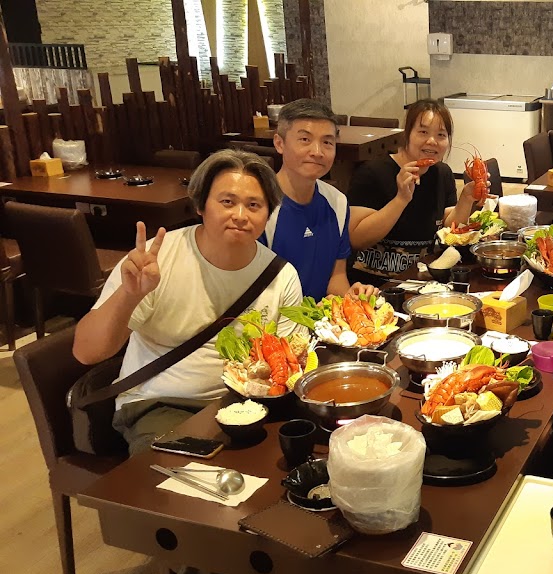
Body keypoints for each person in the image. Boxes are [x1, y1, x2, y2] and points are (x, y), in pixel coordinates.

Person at [72, 150, 303, 454]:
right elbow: (86, 352)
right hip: (161, 404)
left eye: (254, 205)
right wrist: (129, 295)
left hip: (246, 406)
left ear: (267, 214)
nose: (240, 215)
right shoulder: (157, 260)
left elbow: (289, 366)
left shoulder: (281, 275)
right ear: (200, 205)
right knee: (179, 488)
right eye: (227, 202)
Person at [345, 99, 485, 285]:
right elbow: (356, 239)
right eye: (423, 132)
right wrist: (401, 199)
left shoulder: (442, 173)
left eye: (441, 135)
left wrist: (466, 199)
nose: (432, 141)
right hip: (376, 284)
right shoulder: (372, 172)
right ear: (407, 134)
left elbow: (449, 226)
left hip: (421, 279)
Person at [263, 98, 371, 300]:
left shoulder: (337, 201)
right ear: (279, 143)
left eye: (327, 142)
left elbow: (336, 278)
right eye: (305, 140)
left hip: (321, 324)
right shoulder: (259, 205)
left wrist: (351, 297)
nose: (317, 152)